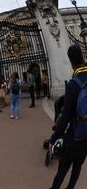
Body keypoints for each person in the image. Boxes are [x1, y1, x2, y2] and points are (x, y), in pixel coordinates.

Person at [49, 45, 87, 189]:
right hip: (86, 135)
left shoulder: (73, 84)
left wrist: (54, 138)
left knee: (63, 169)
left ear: (71, 62)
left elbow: (65, 117)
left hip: (74, 137)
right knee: (77, 168)